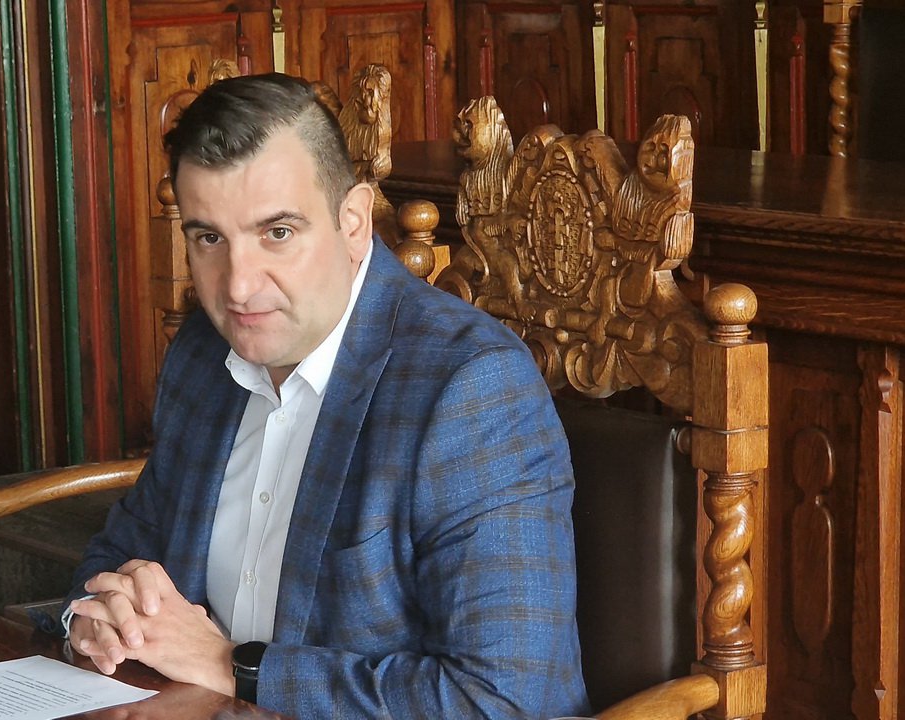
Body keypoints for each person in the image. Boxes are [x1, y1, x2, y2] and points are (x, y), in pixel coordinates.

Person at [63, 73, 588, 718]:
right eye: (209, 238)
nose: (238, 287)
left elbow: (505, 700)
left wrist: (232, 665)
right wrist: (97, 616)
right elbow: (127, 543)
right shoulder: (202, 352)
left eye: (277, 233)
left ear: (353, 222)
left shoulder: (471, 388)